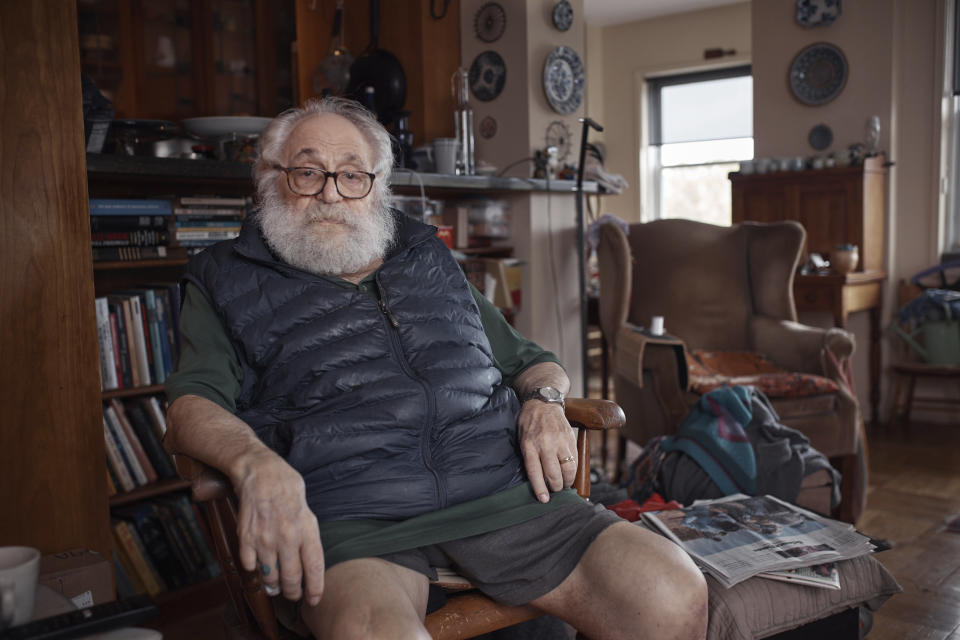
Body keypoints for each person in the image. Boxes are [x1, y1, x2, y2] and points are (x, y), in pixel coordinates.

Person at [163, 96, 707, 640]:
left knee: (672, 590)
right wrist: (256, 465)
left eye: (352, 175)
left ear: (377, 185)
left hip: (504, 493)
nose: (330, 193)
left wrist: (544, 404)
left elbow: (532, 362)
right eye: (308, 173)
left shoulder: (426, 256)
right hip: (354, 515)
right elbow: (191, 405)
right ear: (269, 177)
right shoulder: (223, 278)